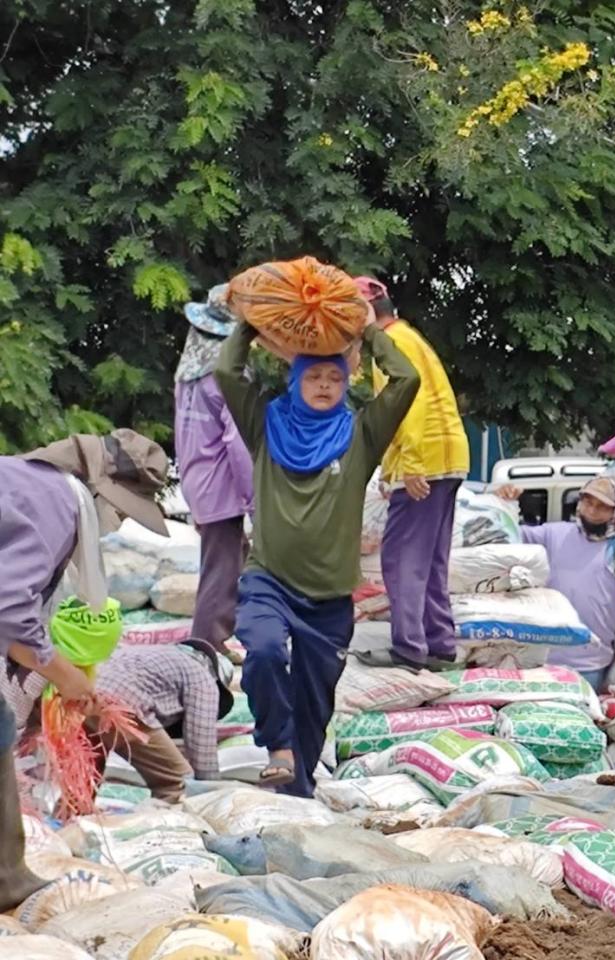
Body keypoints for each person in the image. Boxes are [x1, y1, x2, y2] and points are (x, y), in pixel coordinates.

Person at [215, 306, 420, 796]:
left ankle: (298, 792)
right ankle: (276, 746)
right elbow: (226, 371)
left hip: (329, 599)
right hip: (269, 580)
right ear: (297, 380)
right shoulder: (265, 424)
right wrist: (249, 322)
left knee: (315, 703)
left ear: (347, 383)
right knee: (262, 652)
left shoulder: (361, 434)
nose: (326, 384)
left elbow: (407, 379)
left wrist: (369, 331)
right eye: (315, 376)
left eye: (335, 376)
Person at [0, 430, 169, 909]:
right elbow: (11, 609)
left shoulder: (29, 484)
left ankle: (6, 875)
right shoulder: (53, 501)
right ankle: (6, 877)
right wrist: (67, 676)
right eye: (120, 510)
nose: (115, 522)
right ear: (100, 490)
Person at [350, 276, 470, 671]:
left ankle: (409, 648)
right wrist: (391, 467)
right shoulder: (409, 336)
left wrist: (412, 466)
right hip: (448, 456)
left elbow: (409, 403)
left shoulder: (391, 344)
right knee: (431, 558)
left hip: (427, 459)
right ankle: (439, 644)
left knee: (401, 557)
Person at [4, 639, 232, 805]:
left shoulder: (153, 653)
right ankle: (173, 838)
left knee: (83, 783)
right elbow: (201, 741)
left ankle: (68, 832)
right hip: (117, 707)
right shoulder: (202, 677)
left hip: (72, 697)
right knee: (176, 783)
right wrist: (213, 797)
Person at [494, 476, 615, 691]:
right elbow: (508, 534)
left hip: (589, 665)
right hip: (543, 659)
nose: (592, 511)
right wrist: (504, 503)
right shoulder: (554, 534)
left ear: (614, 511)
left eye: (602, 507)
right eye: (588, 503)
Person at [175, 284, 254, 657]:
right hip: (221, 486)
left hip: (196, 480)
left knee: (229, 556)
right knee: (221, 572)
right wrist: (257, 499)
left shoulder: (187, 375)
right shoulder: (227, 378)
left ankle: (217, 637)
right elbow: (239, 446)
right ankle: (207, 647)